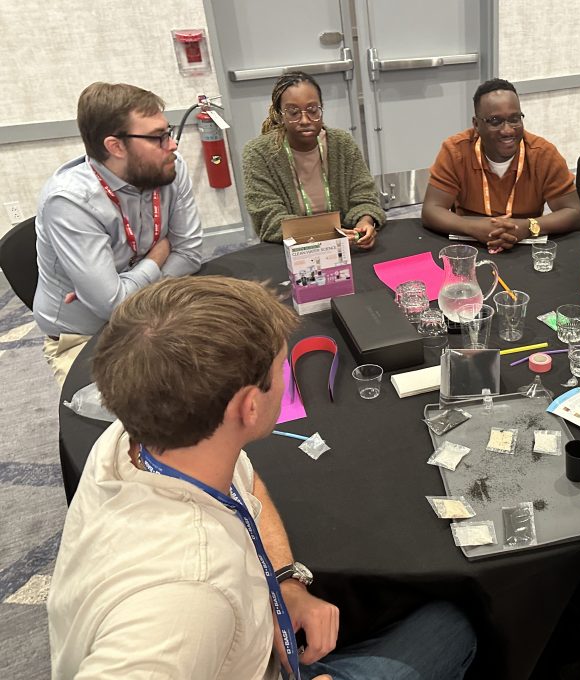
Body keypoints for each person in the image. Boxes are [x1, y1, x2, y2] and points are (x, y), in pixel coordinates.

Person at [46, 276, 476, 680]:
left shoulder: (151, 432)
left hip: (257, 643)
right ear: (250, 407)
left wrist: (286, 580)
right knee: (454, 627)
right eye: (281, 369)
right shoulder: (189, 598)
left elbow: (246, 482)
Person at [33, 82, 203, 385]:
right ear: (116, 146)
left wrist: (125, 287)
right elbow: (111, 306)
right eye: (157, 138)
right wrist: (159, 255)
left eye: (169, 131)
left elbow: (190, 253)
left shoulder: (170, 168)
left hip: (158, 316)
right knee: (126, 428)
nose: (173, 145)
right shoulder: (70, 200)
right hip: (88, 337)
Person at [422, 78, 580, 252]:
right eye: (495, 121)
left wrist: (528, 226)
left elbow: (574, 213)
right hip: (469, 244)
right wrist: (471, 227)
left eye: (515, 119)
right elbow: (431, 210)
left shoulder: (543, 154)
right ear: (476, 124)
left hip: (524, 245)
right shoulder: (456, 151)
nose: (507, 130)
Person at [242, 71, 386, 248]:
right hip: (289, 249)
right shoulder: (258, 153)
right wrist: (326, 236)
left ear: (321, 109)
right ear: (280, 115)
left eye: (312, 110)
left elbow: (364, 196)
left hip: (347, 244)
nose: (304, 120)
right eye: (293, 112)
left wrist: (365, 221)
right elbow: (268, 218)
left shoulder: (341, 143)